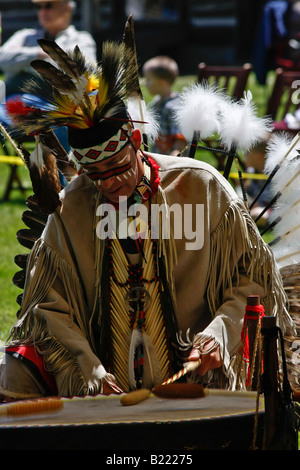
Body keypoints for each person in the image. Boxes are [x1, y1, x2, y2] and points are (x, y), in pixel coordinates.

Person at [0, 36, 293, 401]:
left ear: (136, 140)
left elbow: (253, 279)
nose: (109, 184)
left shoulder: (200, 187)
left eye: (117, 167)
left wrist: (219, 333)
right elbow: (47, 306)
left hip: (199, 376)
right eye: (95, 174)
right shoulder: (71, 208)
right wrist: (87, 365)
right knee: (10, 374)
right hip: (106, 382)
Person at [0, 0, 97, 149]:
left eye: (49, 5)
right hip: (11, 105)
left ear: (67, 9)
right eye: (39, 7)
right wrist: (39, 54)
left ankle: (64, 172)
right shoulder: (24, 35)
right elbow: (2, 59)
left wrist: (22, 60)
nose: (42, 11)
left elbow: (82, 72)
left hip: (55, 105)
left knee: (61, 124)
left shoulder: (81, 39)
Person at [142, 55, 187, 156]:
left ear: (161, 83)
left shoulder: (174, 107)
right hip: (158, 157)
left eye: (148, 80)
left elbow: (180, 138)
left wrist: (175, 156)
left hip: (172, 161)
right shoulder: (156, 102)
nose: (146, 83)